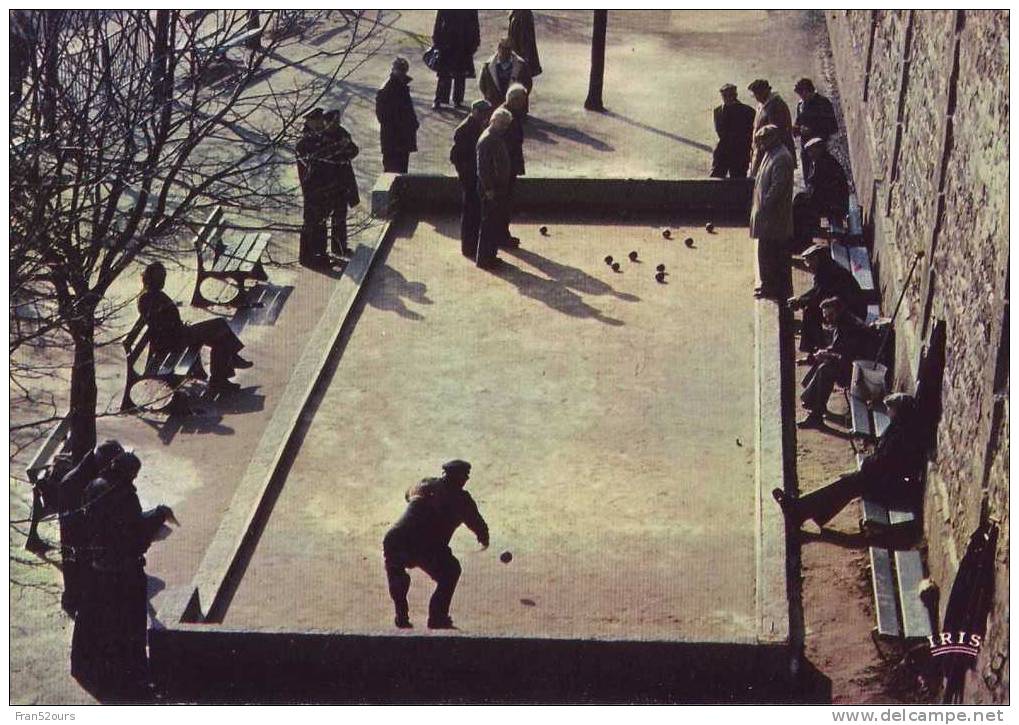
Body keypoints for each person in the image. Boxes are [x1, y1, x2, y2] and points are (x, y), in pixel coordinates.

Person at [71, 452, 174, 701]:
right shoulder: (125, 496)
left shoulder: (94, 486)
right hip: (123, 572)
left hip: (97, 569)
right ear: (129, 473)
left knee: (95, 621)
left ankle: (89, 666)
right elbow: (136, 534)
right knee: (129, 626)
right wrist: (158, 515)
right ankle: (132, 679)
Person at [774, 393, 927, 528]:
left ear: (898, 412)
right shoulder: (901, 429)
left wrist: (866, 463)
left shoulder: (901, 437)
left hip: (892, 488)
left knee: (849, 484)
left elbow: (881, 464)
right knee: (848, 484)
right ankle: (803, 511)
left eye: (890, 409)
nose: (888, 411)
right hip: (887, 480)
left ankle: (800, 510)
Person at [382, 460, 489, 629]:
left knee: (397, 571)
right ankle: (437, 617)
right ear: (459, 478)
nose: (466, 480)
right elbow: (477, 523)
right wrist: (483, 537)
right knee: (451, 571)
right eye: (464, 477)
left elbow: (407, 495)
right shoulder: (461, 498)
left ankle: (401, 616)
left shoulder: (423, 483)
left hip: (395, 538)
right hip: (427, 544)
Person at [137, 262, 251, 396]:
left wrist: (177, 324)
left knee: (220, 333)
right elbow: (161, 325)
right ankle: (224, 372)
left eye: (164, 276)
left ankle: (222, 374)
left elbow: (165, 321)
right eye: (161, 277)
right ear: (152, 279)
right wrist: (178, 325)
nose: (163, 280)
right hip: (173, 341)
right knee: (219, 327)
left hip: (176, 336)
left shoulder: (152, 294)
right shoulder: (148, 298)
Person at [57, 439, 125, 618]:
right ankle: (75, 600)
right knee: (76, 570)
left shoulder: (92, 472)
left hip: (86, 533)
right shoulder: (75, 482)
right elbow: (76, 520)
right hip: (77, 536)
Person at [797, 296, 878, 429]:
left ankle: (815, 413)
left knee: (826, 370)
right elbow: (840, 350)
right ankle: (812, 404)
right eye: (825, 316)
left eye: (829, 315)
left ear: (837, 311)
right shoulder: (846, 320)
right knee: (825, 365)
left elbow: (838, 350)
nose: (827, 319)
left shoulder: (846, 327)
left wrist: (813, 358)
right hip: (858, 362)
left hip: (862, 371)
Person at [788, 244, 867, 357]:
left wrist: (799, 302)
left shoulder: (828, 273)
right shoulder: (826, 269)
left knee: (811, 312)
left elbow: (817, 297)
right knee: (811, 310)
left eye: (809, 262)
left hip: (853, 311)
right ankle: (814, 349)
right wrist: (800, 300)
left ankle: (819, 350)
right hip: (845, 305)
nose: (808, 266)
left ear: (817, 259)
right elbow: (816, 291)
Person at [749, 124, 795, 300]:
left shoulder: (781, 158)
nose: (760, 145)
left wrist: (764, 207)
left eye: (762, 141)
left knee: (773, 255)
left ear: (772, 139)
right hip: (767, 216)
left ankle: (774, 288)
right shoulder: (771, 153)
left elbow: (777, 188)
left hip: (774, 218)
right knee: (765, 252)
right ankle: (767, 285)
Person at [450, 99, 492, 258]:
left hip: (475, 177)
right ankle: (468, 248)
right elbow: (456, 157)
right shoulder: (464, 130)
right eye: (484, 113)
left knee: (475, 213)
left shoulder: (479, 125)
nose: (486, 116)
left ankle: (473, 246)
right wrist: (468, 175)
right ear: (475, 112)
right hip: (470, 178)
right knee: (470, 214)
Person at [792, 138, 850, 249]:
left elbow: (819, 188)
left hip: (834, 204)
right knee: (799, 202)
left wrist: (806, 197)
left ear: (819, 149)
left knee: (800, 209)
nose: (809, 154)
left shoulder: (824, 163)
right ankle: (801, 240)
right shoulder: (819, 161)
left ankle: (801, 242)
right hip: (827, 198)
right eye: (808, 151)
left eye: (811, 150)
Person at [475, 107, 514, 268]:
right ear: (493, 121)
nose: (504, 127)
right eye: (502, 124)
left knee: (493, 222)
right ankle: (485, 258)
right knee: (488, 224)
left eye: (506, 125)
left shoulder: (494, 137)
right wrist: (489, 189)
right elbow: (483, 168)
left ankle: (490, 255)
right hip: (490, 189)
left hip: (497, 187)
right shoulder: (488, 139)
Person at [321, 109, 360, 257]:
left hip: (342, 181)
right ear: (327, 121)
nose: (337, 124)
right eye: (334, 121)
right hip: (328, 182)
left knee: (340, 217)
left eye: (338, 121)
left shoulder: (342, 133)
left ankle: (339, 247)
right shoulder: (322, 136)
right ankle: (322, 250)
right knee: (324, 216)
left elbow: (354, 151)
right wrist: (340, 150)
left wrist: (346, 149)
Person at [296, 108, 330, 267]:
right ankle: (308, 256)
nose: (320, 123)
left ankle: (321, 253)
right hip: (312, 188)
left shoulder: (320, 138)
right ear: (309, 121)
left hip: (324, 186)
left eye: (321, 120)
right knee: (312, 221)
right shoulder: (304, 143)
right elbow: (312, 163)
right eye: (316, 121)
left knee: (322, 221)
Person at [375, 57, 419, 174]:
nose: (402, 73)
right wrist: (404, 124)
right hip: (393, 139)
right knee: (392, 171)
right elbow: (382, 116)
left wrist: (413, 123)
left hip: (401, 139)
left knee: (401, 171)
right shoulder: (388, 89)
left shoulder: (400, 86)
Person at [431, 10, 480, 110]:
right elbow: (439, 21)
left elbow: (475, 23)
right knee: (444, 73)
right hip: (447, 42)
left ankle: (457, 100)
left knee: (460, 74)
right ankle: (439, 99)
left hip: (463, 42)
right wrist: (437, 39)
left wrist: (475, 41)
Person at [500, 83, 528, 248]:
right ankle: (502, 235)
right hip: (506, 167)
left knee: (506, 201)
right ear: (515, 100)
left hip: (508, 165)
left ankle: (503, 233)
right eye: (523, 101)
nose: (524, 104)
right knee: (503, 202)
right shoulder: (506, 117)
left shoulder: (511, 114)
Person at [748, 79, 796, 176]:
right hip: (761, 150)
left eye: (757, 94)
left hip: (772, 153)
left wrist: (764, 147)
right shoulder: (761, 105)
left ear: (765, 91)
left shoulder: (776, 105)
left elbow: (776, 131)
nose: (756, 98)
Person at [793, 78, 838, 179]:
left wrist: (812, 130)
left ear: (807, 91)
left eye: (802, 94)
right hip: (805, 149)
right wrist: (798, 129)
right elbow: (798, 123)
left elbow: (833, 127)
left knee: (820, 178)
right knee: (807, 178)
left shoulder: (823, 103)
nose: (801, 97)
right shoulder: (801, 105)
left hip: (819, 149)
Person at [710, 83, 756, 179]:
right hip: (722, 153)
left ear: (735, 95)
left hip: (740, 154)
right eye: (724, 96)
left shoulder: (748, 111)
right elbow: (719, 131)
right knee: (715, 180)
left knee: (738, 182)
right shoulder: (717, 111)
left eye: (730, 95)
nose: (727, 98)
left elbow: (749, 133)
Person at [479, 38, 531, 108]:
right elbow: (482, 85)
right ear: (499, 48)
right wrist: (489, 95)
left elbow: (527, 84)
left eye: (508, 49)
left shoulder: (521, 66)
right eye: (503, 48)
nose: (505, 52)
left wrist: (520, 99)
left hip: (516, 107)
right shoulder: (488, 66)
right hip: (494, 106)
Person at [507, 10, 542, 102]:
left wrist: (523, 56)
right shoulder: (517, 12)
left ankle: (520, 104)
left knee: (521, 80)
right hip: (517, 53)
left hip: (521, 54)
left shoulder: (523, 14)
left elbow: (525, 38)